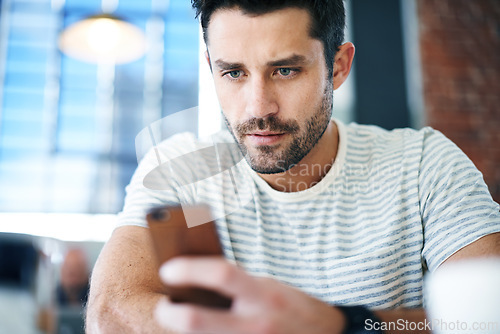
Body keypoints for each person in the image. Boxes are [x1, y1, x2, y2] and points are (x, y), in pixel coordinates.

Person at [86, 0, 500, 333]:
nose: (258, 108)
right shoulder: (178, 170)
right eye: (233, 73)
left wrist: (347, 324)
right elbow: (111, 314)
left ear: (337, 67)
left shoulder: (424, 165)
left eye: (285, 70)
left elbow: (486, 317)